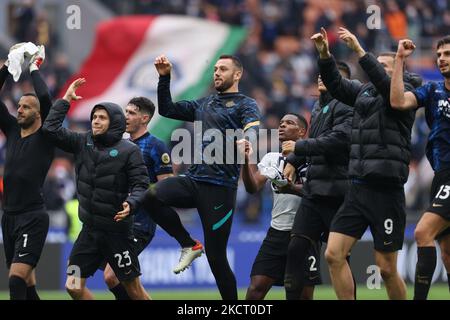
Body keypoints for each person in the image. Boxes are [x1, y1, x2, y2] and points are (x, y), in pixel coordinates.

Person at [312, 27, 421, 300]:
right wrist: (325, 55)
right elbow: (336, 85)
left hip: (386, 191)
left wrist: (360, 51)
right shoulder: (363, 93)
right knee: (334, 254)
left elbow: (387, 87)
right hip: (357, 188)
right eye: (378, 65)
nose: (379, 70)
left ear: (398, 70)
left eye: (387, 65)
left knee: (386, 269)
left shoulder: (405, 94)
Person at [141, 54, 261, 300]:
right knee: (150, 196)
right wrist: (165, 78)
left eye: (223, 69)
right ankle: (188, 243)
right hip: (193, 180)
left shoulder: (245, 104)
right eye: (215, 68)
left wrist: (248, 142)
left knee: (217, 259)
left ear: (237, 75)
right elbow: (167, 109)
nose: (216, 72)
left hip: (220, 189)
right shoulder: (203, 104)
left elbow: (252, 127)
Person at [42, 78, 150, 300]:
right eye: (94, 117)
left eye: (102, 117)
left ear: (115, 122)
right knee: (72, 285)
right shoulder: (82, 142)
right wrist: (65, 101)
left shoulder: (129, 151)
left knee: (133, 290)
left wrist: (132, 203)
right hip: (89, 233)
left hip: (118, 233)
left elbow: (141, 184)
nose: (96, 121)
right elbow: (49, 130)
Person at [281, 63, 354, 300]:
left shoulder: (347, 105)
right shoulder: (318, 106)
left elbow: (339, 140)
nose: (322, 78)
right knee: (295, 249)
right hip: (314, 192)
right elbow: (315, 139)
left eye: (330, 75)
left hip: (337, 192)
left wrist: (299, 146)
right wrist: (293, 159)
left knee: (339, 257)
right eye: (321, 74)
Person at [389, 36, 450, 300]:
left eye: (447, 53)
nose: (442, 58)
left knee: (423, 232)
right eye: (439, 54)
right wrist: (400, 59)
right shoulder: (433, 90)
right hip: (441, 175)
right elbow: (398, 102)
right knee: (447, 252)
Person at [240, 113, 322, 300]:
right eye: (281, 122)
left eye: (289, 123)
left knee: (302, 296)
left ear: (302, 131)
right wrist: (245, 161)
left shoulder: (314, 159)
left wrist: (291, 188)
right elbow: (252, 187)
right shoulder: (272, 158)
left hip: (306, 233)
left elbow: (316, 192)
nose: (282, 126)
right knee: (255, 288)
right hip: (277, 233)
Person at [103, 96, 173, 300]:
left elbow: (166, 188)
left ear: (144, 118)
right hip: (117, 223)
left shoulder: (155, 146)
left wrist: (139, 198)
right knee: (128, 283)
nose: (126, 116)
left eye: (132, 113)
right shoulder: (120, 145)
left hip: (140, 224)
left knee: (112, 276)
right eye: (125, 112)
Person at [0, 44, 52, 300]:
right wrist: (9, 69)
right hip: (8, 217)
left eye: (26, 107)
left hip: (32, 216)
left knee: (15, 279)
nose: (19, 110)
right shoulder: (11, 130)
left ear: (39, 114)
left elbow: (46, 99)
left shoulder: (46, 136)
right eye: (18, 106)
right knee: (28, 285)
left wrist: (33, 69)